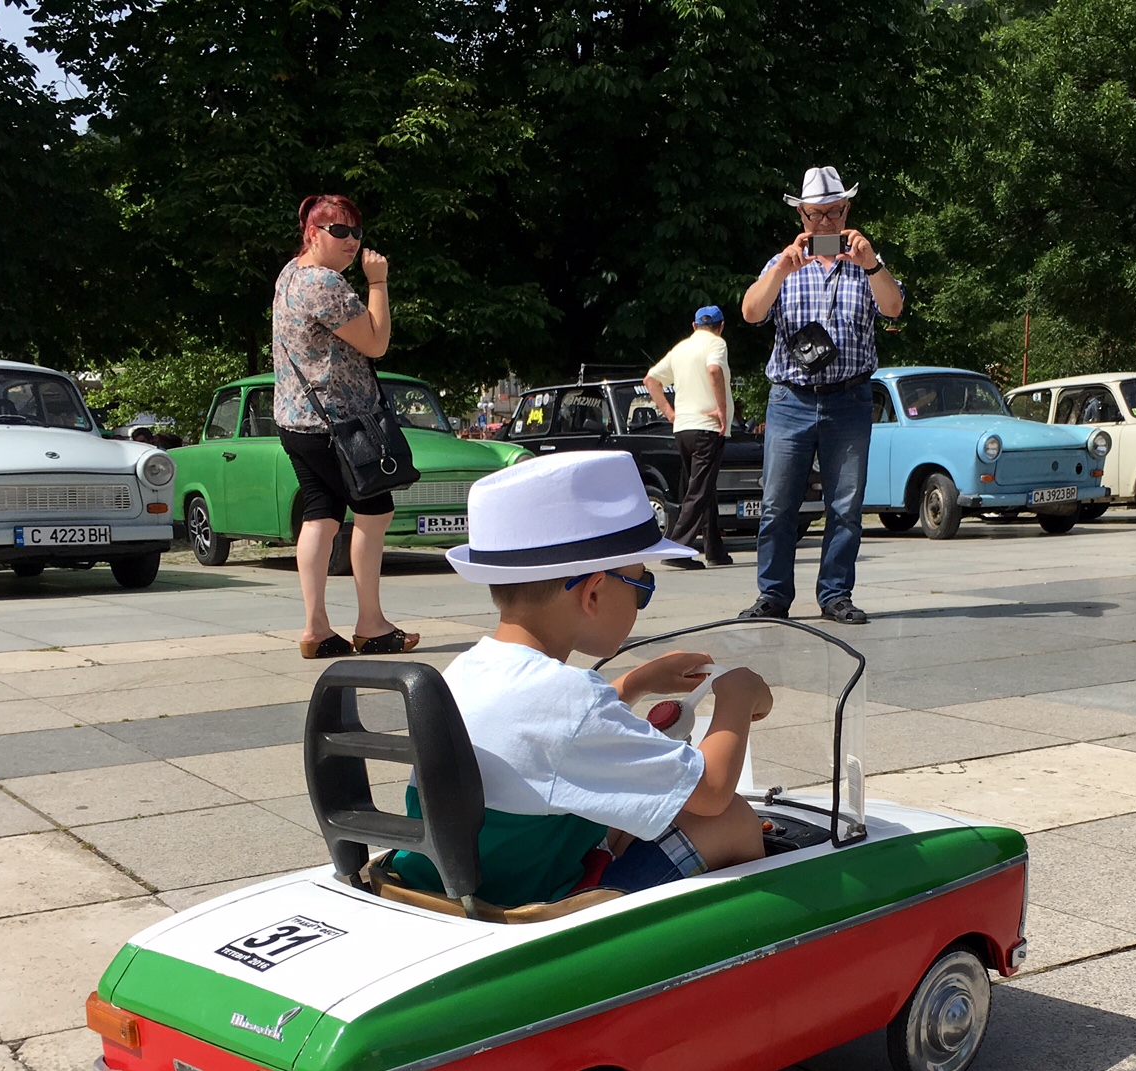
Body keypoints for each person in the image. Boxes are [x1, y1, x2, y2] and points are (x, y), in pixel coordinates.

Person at [389, 452, 773, 908]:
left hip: (458, 883)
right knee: (731, 821)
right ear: (593, 592)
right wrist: (737, 697)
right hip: (529, 905)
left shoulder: (467, 670)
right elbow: (710, 792)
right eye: (642, 587)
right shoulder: (572, 700)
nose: (642, 601)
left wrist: (635, 683)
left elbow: (545, 733)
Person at [738, 166, 904, 626]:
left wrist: (871, 265)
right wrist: (781, 270)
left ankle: (835, 595)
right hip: (790, 399)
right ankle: (773, 595)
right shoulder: (782, 264)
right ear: (802, 216)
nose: (826, 223)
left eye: (834, 212)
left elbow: (893, 308)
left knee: (845, 506)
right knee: (777, 504)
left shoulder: (867, 263)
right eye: (816, 215)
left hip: (849, 400)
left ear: (847, 210)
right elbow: (750, 312)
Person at [272, 192, 419, 659]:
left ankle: (316, 628)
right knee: (375, 513)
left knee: (321, 514)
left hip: (297, 420)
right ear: (312, 233)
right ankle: (371, 625)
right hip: (341, 426)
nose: (351, 241)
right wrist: (378, 282)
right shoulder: (326, 283)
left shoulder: (290, 275)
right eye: (338, 231)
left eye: (356, 231)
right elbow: (376, 343)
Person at [643, 306, 734, 568]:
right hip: (707, 427)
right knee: (699, 490)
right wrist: (721, 409)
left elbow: (650, 380)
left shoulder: (681, 348)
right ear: (721, 326)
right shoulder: (716, 344)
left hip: (683, 428)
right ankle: (676, 548)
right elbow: (714, 370)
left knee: (705, 488)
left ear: (694, 326)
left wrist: (670, 412)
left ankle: (715, 550)